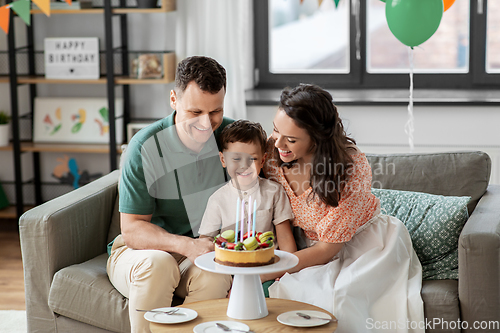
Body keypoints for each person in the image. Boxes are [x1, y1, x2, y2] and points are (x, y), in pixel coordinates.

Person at [261, 84, 424, 332]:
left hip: (367, 244)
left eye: (291, 139)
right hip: (311, 247)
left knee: (341, 299)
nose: (278, 142)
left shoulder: (350, 168)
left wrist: (270, 268)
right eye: (275, 130)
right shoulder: (273, 155)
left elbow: (328, 249)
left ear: (316, 139)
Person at [107, 56, 234, 333]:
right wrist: (187, 246)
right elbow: (132, 230)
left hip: (199, 256)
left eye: (215, 111)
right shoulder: (145, 146)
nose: (206, 122)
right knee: (159, 264)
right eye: (195, 111)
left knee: (215, 272)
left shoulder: (233, 137)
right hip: (142, 253)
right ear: (174, 99)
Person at [198, 119, 296, 254]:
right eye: (236, 159)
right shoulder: (217, 199)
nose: (244, 166)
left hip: (267, 265)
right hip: (231, 265)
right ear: (223, 160)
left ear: (262, 160)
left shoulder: (274, 192)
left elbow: (284, 236)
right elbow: (205, 239)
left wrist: (287, 269)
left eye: (252, 159)